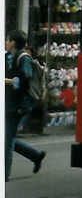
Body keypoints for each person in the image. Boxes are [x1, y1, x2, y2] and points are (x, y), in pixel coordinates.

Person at [5, 30, 46, 181]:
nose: (6, 42)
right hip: (8, 103)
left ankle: (4, 174)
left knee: (7, 139)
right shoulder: (7, 56)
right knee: (7, 137)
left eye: (8, 40)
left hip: (17, 106)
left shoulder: (23, 58)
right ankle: (35, 155)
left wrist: (12, 81)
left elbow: (26, 76)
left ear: (13, 43)